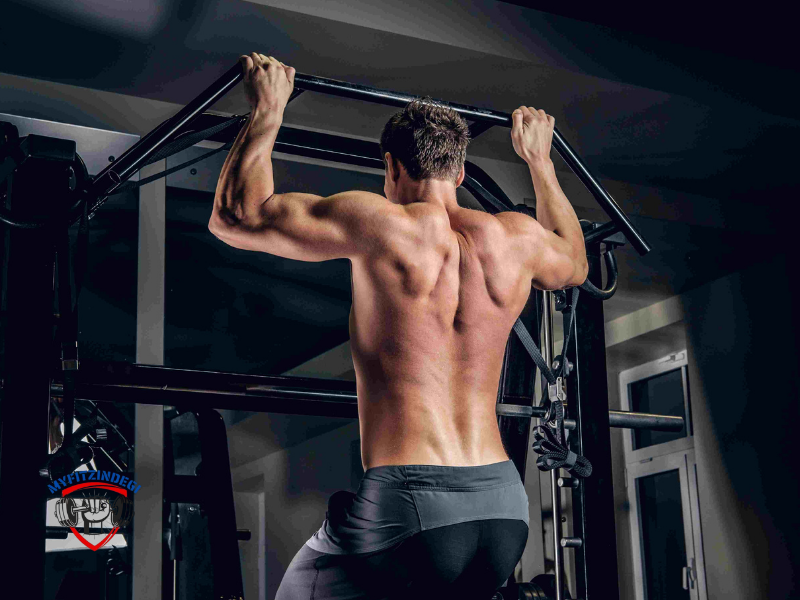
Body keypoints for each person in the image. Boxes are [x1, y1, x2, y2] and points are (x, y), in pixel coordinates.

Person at [210, 53, 588, 600]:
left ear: (391, 167)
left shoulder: (383, 225)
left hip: (411, 506)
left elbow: (236, 216)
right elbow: (574, 263)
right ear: (460, 171)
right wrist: (541, 164)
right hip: (505, 508)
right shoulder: (518, 239)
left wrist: (268, 110)